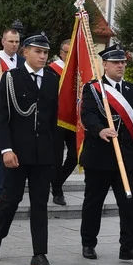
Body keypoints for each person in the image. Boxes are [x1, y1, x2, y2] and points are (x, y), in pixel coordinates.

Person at [0, 32, 59, 265]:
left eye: (46, 52)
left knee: (40, 203)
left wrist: (54, 153)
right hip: (17, 152)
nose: (42, 56)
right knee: (11, 200)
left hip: (43, 153)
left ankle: (40, 254)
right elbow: (1, 118)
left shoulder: (51, 79)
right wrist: (6, 149)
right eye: (38, 51)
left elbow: (52, 121)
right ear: (24, 52)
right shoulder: (10, 78)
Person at [79, 45, 133, 262]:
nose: (121, 66)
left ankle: (129, 246)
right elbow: (88, 114)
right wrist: (99, 129)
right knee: (94, 202)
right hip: (99, 156)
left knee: (130, 202)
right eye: (116, 62)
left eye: (123, 62)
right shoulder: (92, 88)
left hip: (127, 157)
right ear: (105, 65)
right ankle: (88, 243)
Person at [0, 28, 24, 207]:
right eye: (11, 41)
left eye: (17, 42)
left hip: (17, 115)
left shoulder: (22, 61)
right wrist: (0, 90)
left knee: (16, 152)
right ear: (3, 41)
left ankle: (11, 189)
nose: (14, 45)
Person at [48, 39, 78, 206]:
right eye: (66, 52)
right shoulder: (52, 70)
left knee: (75, 156)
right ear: (60, 53)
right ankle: (57, 192)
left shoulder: (78, 71)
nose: (68, 55)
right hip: (57, 120)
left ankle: (56, 183)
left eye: (71, 52)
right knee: (56, 158)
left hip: (74, 119)